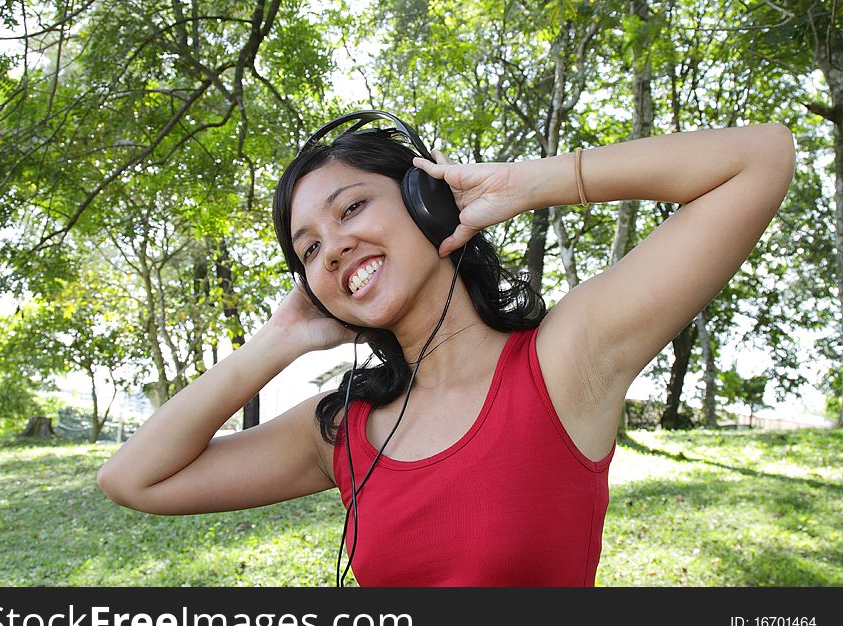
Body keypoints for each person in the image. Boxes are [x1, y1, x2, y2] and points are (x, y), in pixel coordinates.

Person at [97, 115, 795, 587]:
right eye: (309, 248)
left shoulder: (563, 362)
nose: (333, 245)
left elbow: (759, 158)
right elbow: (134, 479)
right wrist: (280, 340)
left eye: (350, 209)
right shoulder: (342, 430)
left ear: (426, 200)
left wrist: (533, 183)